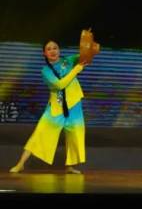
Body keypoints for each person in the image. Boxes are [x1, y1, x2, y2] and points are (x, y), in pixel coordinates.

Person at [9, 40, 87, 174]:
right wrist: (76, 70)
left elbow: (85, 56)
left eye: (55, 48)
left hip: (74, 104)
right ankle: (20, 164)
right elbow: (59, 85)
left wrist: (88, 45)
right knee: (40, 132)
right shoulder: (46, 71)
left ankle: (70, 166)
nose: (52, 51)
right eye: (49, 49)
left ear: (59, 50)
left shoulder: (67, 61)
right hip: (57, 106)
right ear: (44, 53)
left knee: (75, 135)